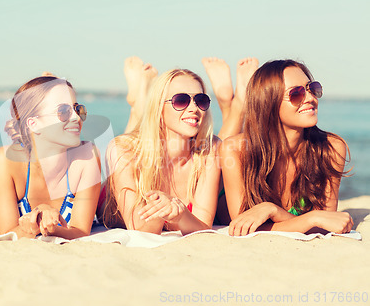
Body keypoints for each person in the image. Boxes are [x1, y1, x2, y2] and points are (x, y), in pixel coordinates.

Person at [220, 59, 353, 235]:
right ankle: (233, 105)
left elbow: (326, 223)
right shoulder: (236, 150)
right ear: (269, 103)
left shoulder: (331, 149)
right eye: (296, 94)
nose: (311, 98)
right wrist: (312, 218)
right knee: (213, 149)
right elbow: (243, 226)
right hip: (220, 202)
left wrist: (272, 210)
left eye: (312, 88)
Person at [103, 68, 220, 235]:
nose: (194, 108)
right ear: (158, 107)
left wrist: (180, 213)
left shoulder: (211, 149)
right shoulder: (122, 150)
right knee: (131, 143)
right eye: (181, 100)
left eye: (200, 100)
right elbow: (138, 230)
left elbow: (203, 227)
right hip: (109, 197)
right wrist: (162, 211)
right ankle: (137, 105)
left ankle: (138, 100)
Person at [0, 76, 101, 239]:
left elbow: (80, 231)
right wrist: (40, 215)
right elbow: (7, 233)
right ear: (33, 123)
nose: (77, 118)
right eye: (63, 111)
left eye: (78, 109)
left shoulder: (88, 156)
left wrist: (50, 228)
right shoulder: (6, 161)